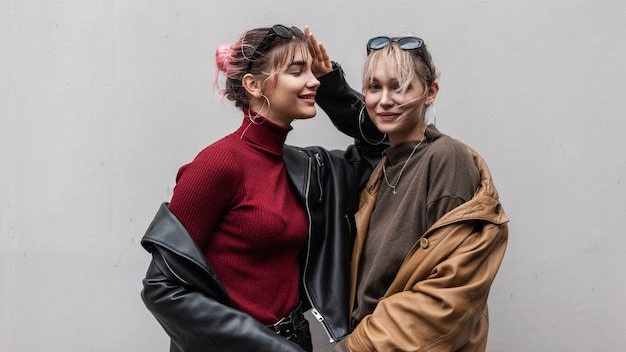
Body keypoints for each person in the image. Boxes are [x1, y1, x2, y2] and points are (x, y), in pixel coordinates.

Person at [140, 25, 386, 352]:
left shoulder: (308, 168)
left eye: (313, 73)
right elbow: (162, 287)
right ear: (254, 85)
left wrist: (333, 88)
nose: (313, 80)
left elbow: (382, 145)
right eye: (297, 72)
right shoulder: (217, 164)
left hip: (296, 341)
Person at [332, 36, 509, 352]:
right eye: (374, 87)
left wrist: (355, 346)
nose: (385, 100)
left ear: (431, 93)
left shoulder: (447, 159)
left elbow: (451, 292)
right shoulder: (381, 170)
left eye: (400, 87)